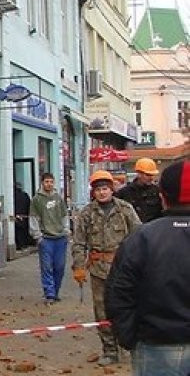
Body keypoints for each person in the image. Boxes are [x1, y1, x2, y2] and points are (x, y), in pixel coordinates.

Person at [105, 160, 190, 376]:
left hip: (156, 346)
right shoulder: (141, 237)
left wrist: (130, 337)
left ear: (162, 196)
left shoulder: (142, 238)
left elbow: (118, 292)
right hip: (153, 343)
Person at [71, 170, 141, 367]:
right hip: (98, 270)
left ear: (112, 190)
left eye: (105, 189)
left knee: (127, 307)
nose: (102, 193)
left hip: (123, 269)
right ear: (93, 192)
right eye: (98, 190)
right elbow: (78, 243)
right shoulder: (86, 213)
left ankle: (129, 345)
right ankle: (109, 350)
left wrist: (139, 264)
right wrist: (78, 266)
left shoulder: (125, 209)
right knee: (102, 311)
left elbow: (139, 236)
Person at [29, 172, 69, 304]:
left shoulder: (59, 198)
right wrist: (38, 236)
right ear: (42, 183)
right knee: (47, 267)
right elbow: (33, 218)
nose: (49, 184)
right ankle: (49, 294)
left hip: (60, 238)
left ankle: (56, 292)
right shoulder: (37, 200)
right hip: (45, 238)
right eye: (46, 181)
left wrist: (66, 230)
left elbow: (64, 215)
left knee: (60, 266)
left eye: (51, 181)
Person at [115, 157, 162, 223]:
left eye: (153, 175)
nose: (151, 178)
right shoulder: (124, 192)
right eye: (148, 175)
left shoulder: (158, 192)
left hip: (153, 230)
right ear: (139, 174)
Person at [14, 182, 32, 250]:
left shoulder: (12, 195)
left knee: (17, 230)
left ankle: (18, 245)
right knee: (23, 230)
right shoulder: (25, 195)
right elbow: (29, 205)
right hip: (24, 215)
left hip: (16, 215)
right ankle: (23, 244)